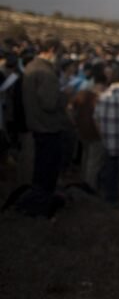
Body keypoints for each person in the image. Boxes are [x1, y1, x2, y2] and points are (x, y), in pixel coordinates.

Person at [22, 37, 70, 194]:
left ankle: (37, 199)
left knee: (39, 168)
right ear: (52, 50)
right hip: (48, 126)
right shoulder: (46, 72)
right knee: (47, 169)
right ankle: (44, 202)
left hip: (35, 123)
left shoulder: (31, 66)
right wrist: (64, 96)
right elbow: (49, 104)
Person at [94, 64, 119, 207]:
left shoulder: (103, 96)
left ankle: (111, 198)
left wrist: (103, 134)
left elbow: (96, 118)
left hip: (108, 141)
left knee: (111, 171)